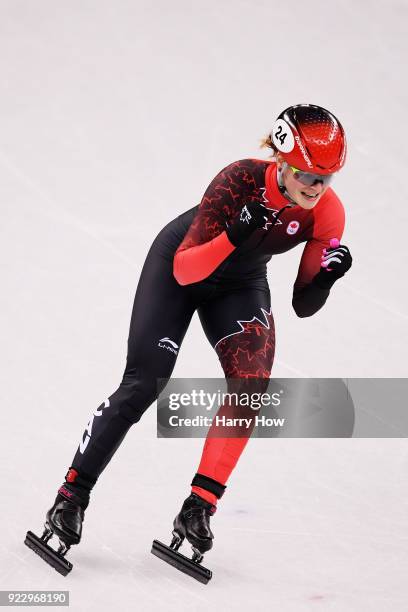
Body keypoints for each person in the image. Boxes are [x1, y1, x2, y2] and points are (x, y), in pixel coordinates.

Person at [29, 104, 352, 571]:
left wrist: (326, 279)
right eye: (306, 175)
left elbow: (304, 304)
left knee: (251, 386)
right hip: (181, 265)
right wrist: (234, 234)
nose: (316, 188)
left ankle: (197, 508)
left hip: (239, 284)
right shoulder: (237, 181)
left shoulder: (328, 212)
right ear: (281, 160)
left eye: (327, 179)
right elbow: (186, 270)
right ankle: (70, 496)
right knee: (145, 383)